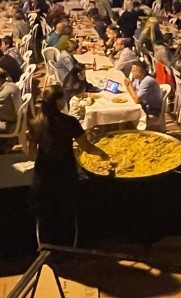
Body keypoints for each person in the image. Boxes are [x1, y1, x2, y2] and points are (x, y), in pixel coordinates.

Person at [27, 85, 109, 246]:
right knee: (66, 212)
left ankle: (47, 247)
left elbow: (31, 155)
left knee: (47, 214)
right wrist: (104, 154)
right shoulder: (69, 122)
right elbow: (87, 147)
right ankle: (68, 248)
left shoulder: (35, 122)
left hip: (43, 174)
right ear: (59, 102)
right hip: (65, 171)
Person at [125, 60, 164, 130]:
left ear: (140, 72)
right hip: (143, 106)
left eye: (133, 71)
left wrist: (129, 85)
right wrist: (128, 85)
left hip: (151, 110)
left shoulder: (147, 81)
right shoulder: (138, 79)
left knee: (127, 117)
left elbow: (136, 100)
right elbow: (131, 92)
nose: (132, 73)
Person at [0, 68, 23, 134]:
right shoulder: (11, 85)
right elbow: (7, 100)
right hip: (15, 119)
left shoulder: (5, 93)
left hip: (9, 126)